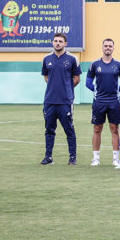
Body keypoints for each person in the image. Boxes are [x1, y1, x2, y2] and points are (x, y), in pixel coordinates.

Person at [40, 33, 82, 165]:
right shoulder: (46, 58)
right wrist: (54, 86)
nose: (57, 43)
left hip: (65, 101)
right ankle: (48, 157)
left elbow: (77, 79)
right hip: (50, 101)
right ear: (53, 43)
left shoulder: (72, 59)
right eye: (55, 41)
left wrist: (67, 88)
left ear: (65, 43)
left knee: (69, 130)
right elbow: (46, 77)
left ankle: (72, 157)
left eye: (60, 41)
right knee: (49, 130)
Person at [85, 38, 120, 166]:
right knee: (97, 128)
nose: (108, 48)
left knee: (114, 129)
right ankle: (96, 158)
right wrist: (96, 91)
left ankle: (115, 158)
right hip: (99, 102)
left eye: (110, 46)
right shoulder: (94, 64)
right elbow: (88, 82)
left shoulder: (119, 65)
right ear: (102, 48)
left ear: (113, 48)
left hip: (114, 101)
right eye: (106, 46)